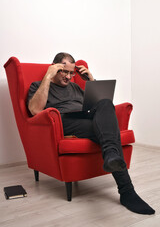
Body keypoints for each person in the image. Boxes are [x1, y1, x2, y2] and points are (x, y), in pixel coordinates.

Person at [27, 52, 155, 215]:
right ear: (54, 67)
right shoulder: (38, 86)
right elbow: (35, 110)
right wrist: (47, 76)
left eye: (71, 73)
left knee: (106, 102)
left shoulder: (74, 86)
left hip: (86, 117)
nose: (68, 77)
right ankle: (127, 191)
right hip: (65, 121)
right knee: (109, 131)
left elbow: (101, 109)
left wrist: (92, 81)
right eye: (64, 71)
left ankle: (111, 156)